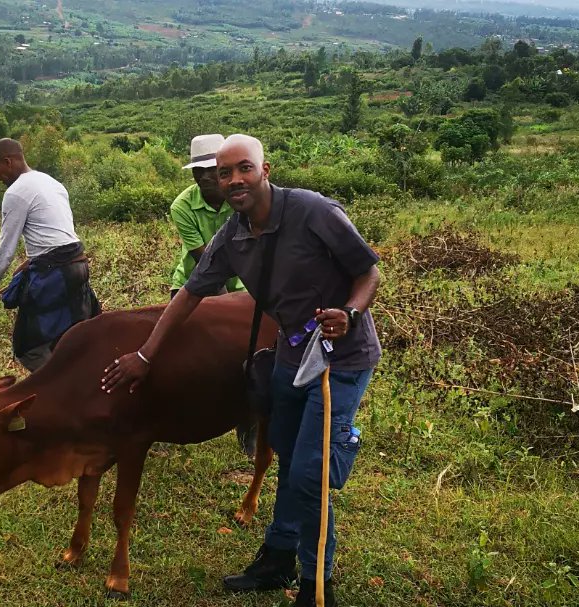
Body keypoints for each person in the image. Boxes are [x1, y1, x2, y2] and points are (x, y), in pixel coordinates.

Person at [100, 134, 381, 607]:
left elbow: (369, 272)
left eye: (243, 169)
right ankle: (277, 557)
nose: (234, 180)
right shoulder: (231, 236)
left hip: (340, 359)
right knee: (289, 460)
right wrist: (145, 355)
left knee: (311, 473)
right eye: (224, 173)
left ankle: (317, 589)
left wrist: (349, 313)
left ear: (264, 169)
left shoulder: (314, 212)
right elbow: (189, 294)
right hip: (290, 357)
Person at [0, 138, 100, 372]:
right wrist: (32, 259)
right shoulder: (52, 183)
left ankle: (58, 391)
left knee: (29, 348)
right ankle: (81, 384)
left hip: (55, 275)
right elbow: (58, 233)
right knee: (71, 338)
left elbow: (6, 247)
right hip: (78, 267)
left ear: (8, 162)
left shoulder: (16, 192)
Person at [168, 134, 244, 299]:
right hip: (194, 283)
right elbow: (206, 264)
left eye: (211, 169)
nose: (203, 176)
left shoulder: (242, 199)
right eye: (198, 170)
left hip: (242, 284)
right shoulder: (182, 206)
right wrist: (226, 304)